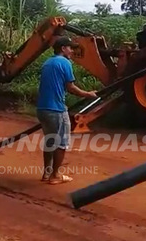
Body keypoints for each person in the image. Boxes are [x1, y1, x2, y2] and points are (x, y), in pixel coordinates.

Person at [36, 36, 98, 185]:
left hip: (42, 108)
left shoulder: (47, 63)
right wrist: (88, 94)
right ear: (63, 49)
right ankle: (55, 176)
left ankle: (47, 173)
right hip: (56, 109)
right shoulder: (65, 62)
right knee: (61, 143)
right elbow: (70, 87)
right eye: (70, 48)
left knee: (50, 141)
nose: (72, 51)